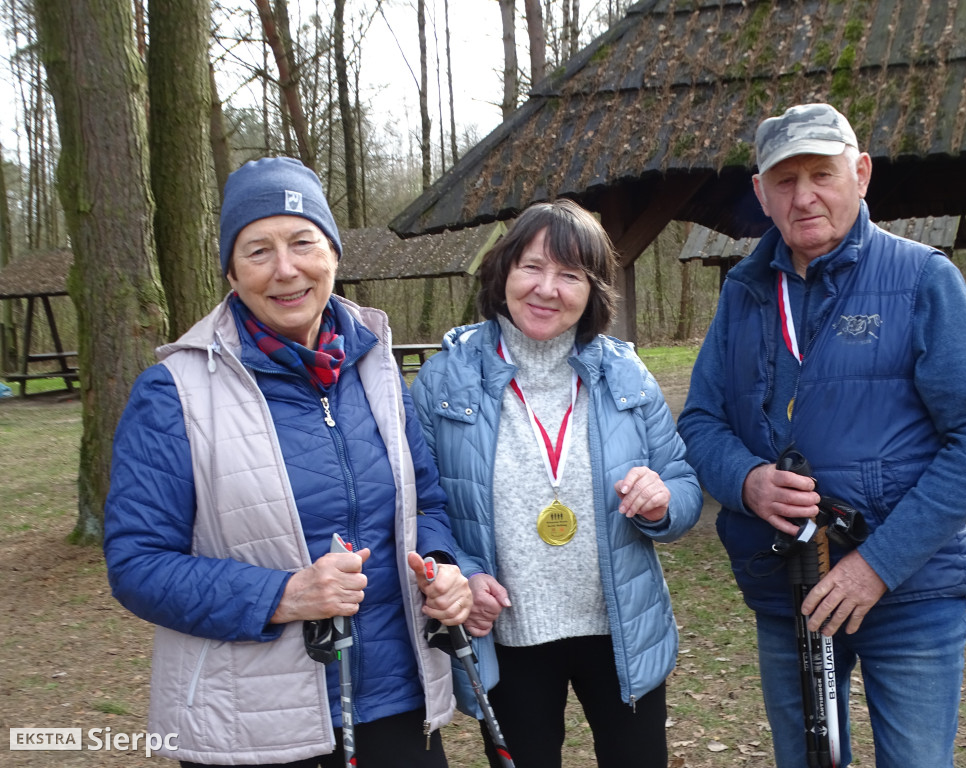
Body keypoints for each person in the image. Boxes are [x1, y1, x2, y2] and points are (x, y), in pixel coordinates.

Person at [104, 156, 473, 768]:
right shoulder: (173, 391)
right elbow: (137, 565)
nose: (286, 269)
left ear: (332, 253)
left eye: (303, 242)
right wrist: (284, 594)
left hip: (396, 703)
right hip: (252, 726)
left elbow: (424, 503)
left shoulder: (376, 370)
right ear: (230, 270)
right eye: (257, 251)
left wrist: (440, 567)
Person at [678, 103, 966, 768]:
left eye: (822, 174)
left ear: (860, 174)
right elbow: (700, 422)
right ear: (760, 193)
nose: (804, 197)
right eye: (785, 180)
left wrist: (875, 567)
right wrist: (746, 482)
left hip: (908, 591)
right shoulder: (743, 293)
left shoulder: (923, 278)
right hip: (789, 590)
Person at [411, 198, 704, 768]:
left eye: (570, 275)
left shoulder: (625, 371)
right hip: (508, 633)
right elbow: (421, 505)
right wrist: (461, 572)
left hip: (619, 629)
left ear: (592, 291)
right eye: (532, 267)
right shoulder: (447, 377)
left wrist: (664, 501)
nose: (548, 288)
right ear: (503, 273)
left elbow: (684, 481)